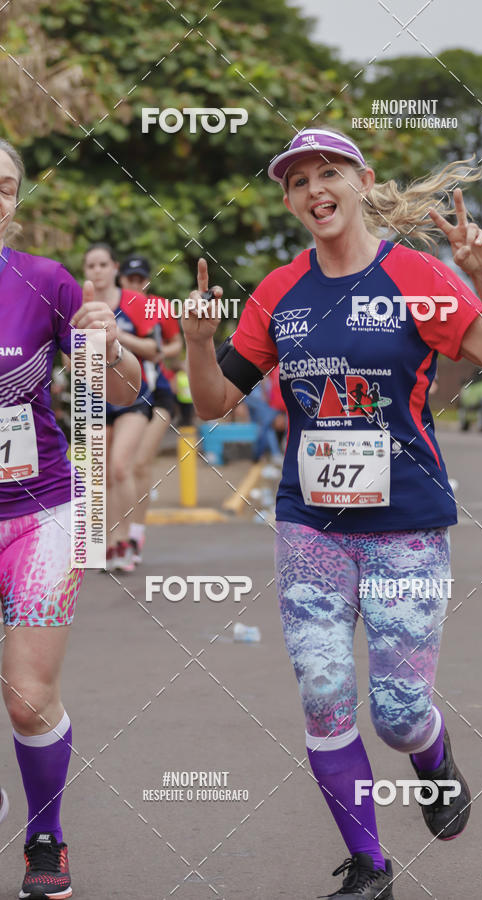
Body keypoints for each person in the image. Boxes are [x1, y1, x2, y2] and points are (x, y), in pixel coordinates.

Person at [183, 127, 482, 898]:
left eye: (329, 172)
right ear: (288, 199)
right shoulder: (278, 292)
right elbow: (214, 403)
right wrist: (199, 344)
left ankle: (432, 754)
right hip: (310, 525)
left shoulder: (416, 276)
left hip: (405, 526)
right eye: (298, 179)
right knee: (322, 686)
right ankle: (370, 866)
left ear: (360, 180)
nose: (315, 188)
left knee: (399, 713)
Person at [0, 139, 140, 899]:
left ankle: (45, 836)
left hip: (42, 511)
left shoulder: (44, 282)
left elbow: (123, 392)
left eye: (7, 187)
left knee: (25, 695)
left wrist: (110, 347)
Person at [83, 245, 160, 571]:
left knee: (119, 467)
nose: (97, 270)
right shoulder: (81, 305)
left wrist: (115, 339)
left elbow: (155, 350)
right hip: (95, 398)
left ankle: (128, 540)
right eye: (91, 265)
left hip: (133, 395)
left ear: (114, 267)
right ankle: (109, 542)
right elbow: (70, 359)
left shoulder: (136, 303)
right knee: (98, 476)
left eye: (103, 264)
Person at [117, 254, 182, 564]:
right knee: (119, 468)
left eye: (141, 279)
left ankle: (135, 534)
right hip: (120, 395)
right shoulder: (109, 308)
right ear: (120, 280)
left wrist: (156, 353)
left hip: (158, 393)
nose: (136, 285)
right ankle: (118, 534)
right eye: (130, 279)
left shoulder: (158, 306)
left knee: (140, 464)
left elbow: (175, 345)